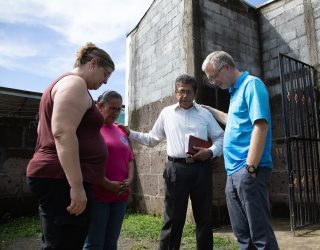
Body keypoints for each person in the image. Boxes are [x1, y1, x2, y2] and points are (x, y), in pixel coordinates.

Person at [26, 42, 115, 249]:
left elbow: (42, 129)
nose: (105, 81)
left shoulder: (64, 85)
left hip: (58, 178)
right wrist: (75, 186)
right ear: (92, 63)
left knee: (61, 241)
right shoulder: (74, 84)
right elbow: (62, 132)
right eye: (105, 74)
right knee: (64, 244)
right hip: (61, 180)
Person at [121, 74, 224, 250]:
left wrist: (211, 151)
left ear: (195, 93)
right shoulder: (166, 113)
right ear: (175, 92)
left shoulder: (205, 114)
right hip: (176, 169)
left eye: (188, 92)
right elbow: (152, 138)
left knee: (204, 218)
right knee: (173, 218)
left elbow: (220, 137)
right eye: (180, 92)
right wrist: (130, 133)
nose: (184, 95)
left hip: (201, 170)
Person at [201, 51, 279, 250]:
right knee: (243, 236)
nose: (212, 82)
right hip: (233, 172)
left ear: (226, 67)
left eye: (213, 76)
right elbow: (232, 120)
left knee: (260, 235)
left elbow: (260, 125)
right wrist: (209, 110)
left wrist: (251, 167)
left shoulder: (251, 84)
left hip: (249, 170)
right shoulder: (235, 92)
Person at [83, 90, 134, 249]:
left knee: (111, 241)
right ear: (100, 106)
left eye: (119, 109)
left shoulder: (120, 130)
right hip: (99, 193)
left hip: (120, 195)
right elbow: (85, 163)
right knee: (94, 242)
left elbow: (130, 158)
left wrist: (130, 179)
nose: (116, 112)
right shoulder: (91, 130)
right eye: (112, 108)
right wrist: (106, 183)